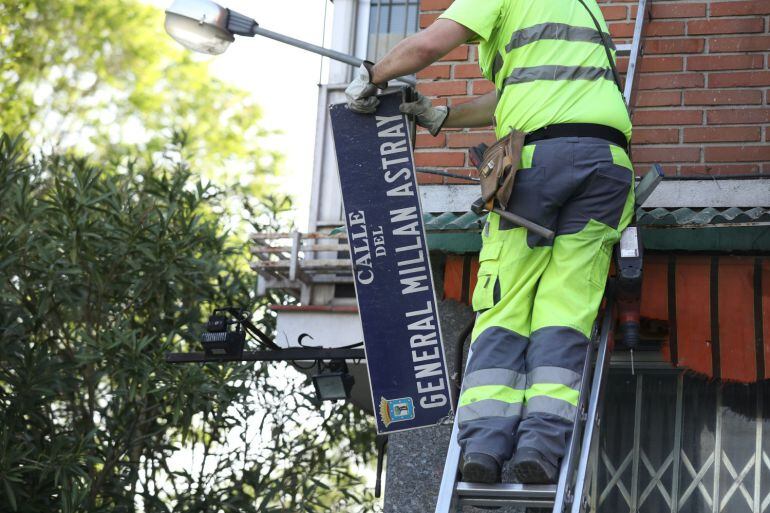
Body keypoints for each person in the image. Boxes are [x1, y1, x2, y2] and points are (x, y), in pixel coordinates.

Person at [346, 0, 633, 485]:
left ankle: (484, 445)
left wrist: (372, 78)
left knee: (507, 301)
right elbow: (513, 98)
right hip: (608, 166)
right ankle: (541, 450)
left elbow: (427, 45)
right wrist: (442, 115)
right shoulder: (585, 10)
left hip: (538, 165)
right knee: (566, 308)